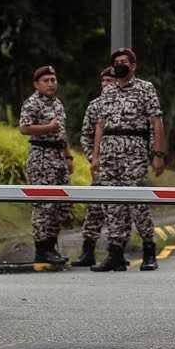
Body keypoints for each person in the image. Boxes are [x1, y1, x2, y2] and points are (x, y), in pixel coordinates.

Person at [91, 47, 165, 272]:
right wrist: (96, 156)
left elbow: (156, 122)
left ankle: (149, 250)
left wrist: (159, 154)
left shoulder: (145, 89)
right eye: (116, 62)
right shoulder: (108, 93)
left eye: (124, 61)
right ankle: (115, 253)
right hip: (110, 154)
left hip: (134, 153)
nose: (120, 65)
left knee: (137, 203)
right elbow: (100, 125)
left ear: (133, 66)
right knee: (112, 205)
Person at [18, 65, 73, 265]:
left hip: (58, 156)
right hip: (41, 156)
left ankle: (51, 245)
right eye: (46, 81)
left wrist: (68, 157)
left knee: (63, 204)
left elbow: (62, 132)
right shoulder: (32, 103)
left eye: (53, 80)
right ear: (37, 84)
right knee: (44, 205)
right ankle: (42, 249)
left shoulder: (57, 104)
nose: (51, 84)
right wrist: (47, 128)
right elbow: (24, 128)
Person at [73, 66, 117, 268]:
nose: (107, 85)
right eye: (104, 81)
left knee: (120, 209)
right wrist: (93, 158)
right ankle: (87, 251)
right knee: (95, 209)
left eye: (111, 81)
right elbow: (86, 135)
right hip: (100, 165)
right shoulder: (95, 106)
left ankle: (117, 251)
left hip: (121, 165)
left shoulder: (123, 104)